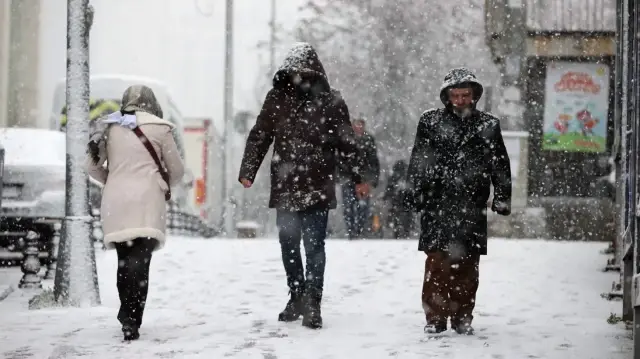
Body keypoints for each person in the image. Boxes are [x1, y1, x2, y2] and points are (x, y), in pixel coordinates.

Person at [238, 43, 368, 329]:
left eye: (305, 71)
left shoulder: (332, 101)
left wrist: (358, 178)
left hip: (318, 184)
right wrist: (248, 170)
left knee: (314, 245)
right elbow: (260, 135)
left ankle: (313, 301)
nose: (300, 77)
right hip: (286, 185)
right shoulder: (276, 99)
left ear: (315, 71)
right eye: (295, 72)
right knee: (288, 243)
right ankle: (296, 294)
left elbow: (347, 143)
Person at [407, 68, 511, 335]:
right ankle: (435, 318)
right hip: (437, 201)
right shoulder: (429, 122)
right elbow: (419, 159)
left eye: (466, 95)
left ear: (474, 95)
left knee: (467, 264)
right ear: (447, 96)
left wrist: (502, 196)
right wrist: (414, 192)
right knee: (437, 262)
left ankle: (463, 316)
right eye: (456, 95)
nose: (461, 100)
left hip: (471, 203)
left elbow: (499, 162)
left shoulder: (488, 124)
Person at [86, 85, 185, 341]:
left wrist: (114, 178)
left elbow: (91, 166)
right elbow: (176, 170)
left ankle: (127, 314)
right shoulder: (161, 128)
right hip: (147, 201)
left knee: (124, 259)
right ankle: (132, 317)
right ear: (152, 103)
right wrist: (161, 182)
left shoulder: (110, 126)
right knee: (140, 261)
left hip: (116, 200)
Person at [337, 118, 380, 239]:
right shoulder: (345, 140)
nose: (358, 127)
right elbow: (340, 160)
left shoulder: (368, 140)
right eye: (356, 125)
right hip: (348, 178)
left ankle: (359, 230)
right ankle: (351, 232)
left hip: (363, 180)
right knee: (348, 206)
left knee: (363, 206)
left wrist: (372, 180)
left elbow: (373, 161)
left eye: (361, 125)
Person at [383, 160, 414, 239]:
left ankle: (394, 228)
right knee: (408, 215)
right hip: (406, 200)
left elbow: (389, 189)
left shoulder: (394, 177)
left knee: (395, 213)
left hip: (397, 200)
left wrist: (386, 196)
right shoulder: (409, 176)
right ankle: (407, 229)